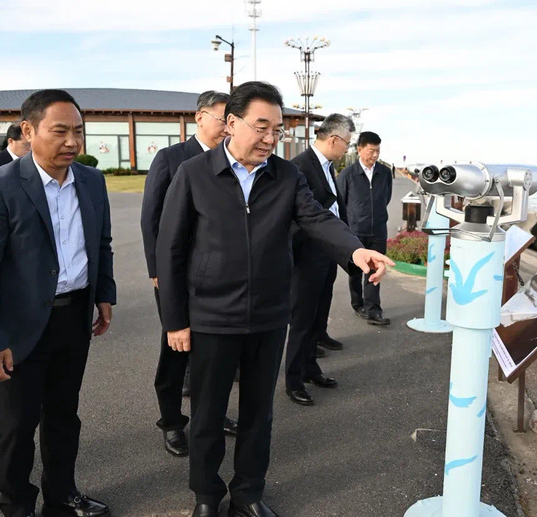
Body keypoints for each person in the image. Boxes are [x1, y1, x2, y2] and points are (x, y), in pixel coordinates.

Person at [156, 81, 393, 517]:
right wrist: (175, 321)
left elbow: (317, 219)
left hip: (268, 315)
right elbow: (169, 250)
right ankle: (206, 496)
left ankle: (247, 494)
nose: (270, 138)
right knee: (207, 415)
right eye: (261, 127)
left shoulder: (286, 176)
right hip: (211, 316)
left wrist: (356, 251)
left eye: (277, 130)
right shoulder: (193, 174)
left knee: (258, 414)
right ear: (231, 123)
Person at [0, 89, 116, 517]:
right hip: (16, 329)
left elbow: (101, 244)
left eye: (78, 132)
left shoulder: (92, 181)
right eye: (60, 131)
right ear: (28, 131)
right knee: (15, 427)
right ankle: (17, 506)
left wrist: (104, 294)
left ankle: (62, 495)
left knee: (64, 415)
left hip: (73, 318)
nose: (72, 142)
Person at [140, 91, 237, 458]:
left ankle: (211, 415)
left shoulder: (232, 159)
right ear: (200, 117)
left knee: (214, 352)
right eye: (223, 119)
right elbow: (151, 218)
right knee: (175, 350)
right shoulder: (171, 158)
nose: (227, 127)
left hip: (218, 277)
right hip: (175, 275)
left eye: (233, 121)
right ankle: (171, 422)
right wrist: (156, 271)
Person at [285, 113, 355, 406]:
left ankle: (310, 368)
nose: (348, 149)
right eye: (347, 143)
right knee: (302, 320)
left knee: (317, 316)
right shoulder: (299, 167)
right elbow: (293, 217)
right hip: (307, 256)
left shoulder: (327, 167)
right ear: (334, 139)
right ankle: (293, 380)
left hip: (326, 254)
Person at [336, 131, 393, 325]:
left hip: (378, 230)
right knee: (355, 270)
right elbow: (341, 202)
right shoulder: (347, 174)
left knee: (375, 270)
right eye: (371, 151)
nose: (375, 155)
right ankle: (357, 303)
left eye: (378, 151)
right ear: (359, 149)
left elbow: (386, 198)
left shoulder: (385, 173)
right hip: (355, 231)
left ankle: (373, 310)